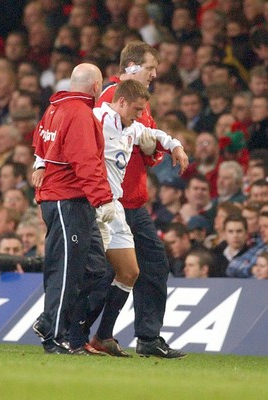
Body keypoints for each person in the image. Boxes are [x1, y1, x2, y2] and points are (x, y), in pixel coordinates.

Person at [93, 41, 188, 358]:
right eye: (150, 68)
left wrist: (157, 148)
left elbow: (147, 148)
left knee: (153, 265)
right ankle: (77, 332)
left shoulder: (140, 104)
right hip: (111, 202)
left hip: (134, 200)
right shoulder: (112, 97)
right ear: (131, 67)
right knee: (106, 271)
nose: (155, 74)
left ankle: (148, 338)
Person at [31, 63, 115, 355]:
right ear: (95, 87)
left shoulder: (55, 108)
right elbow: (86, 162)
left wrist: (40, 164)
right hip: (68, 200)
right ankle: (53, 335)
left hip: (66, 199)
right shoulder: (80, 114)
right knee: (65, 270)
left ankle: (50, 321)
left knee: (95, 267)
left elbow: (39, 142)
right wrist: (103, 199)